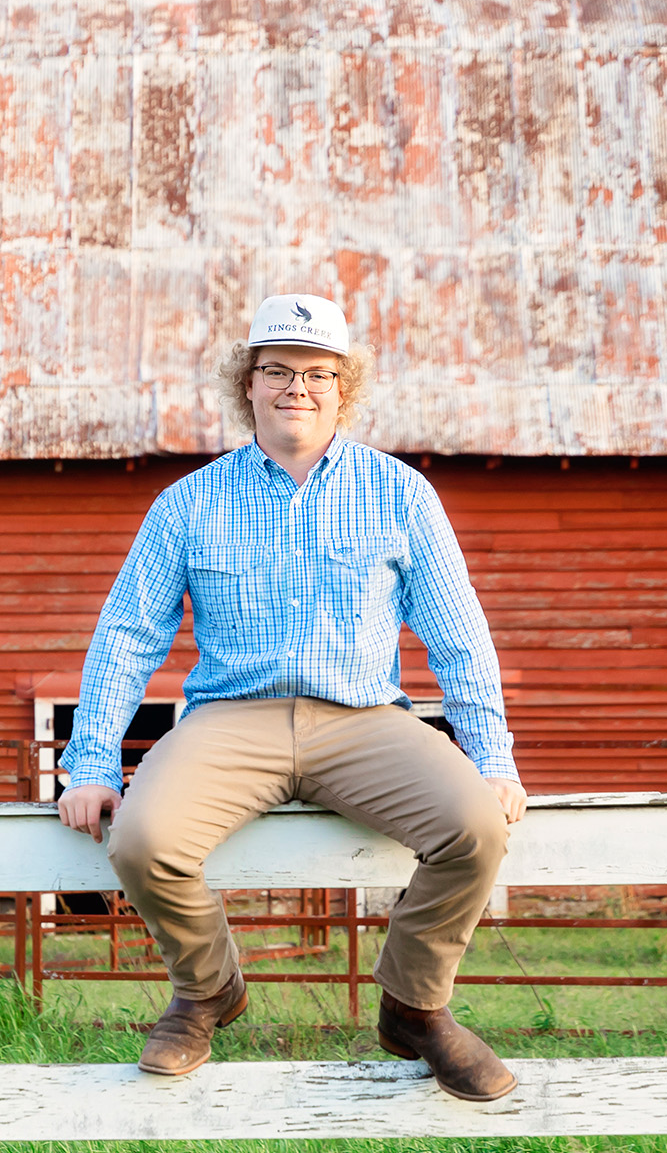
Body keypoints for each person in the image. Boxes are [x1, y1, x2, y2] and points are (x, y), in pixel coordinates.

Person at [57, 293, 527, 1098]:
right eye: (277, 370)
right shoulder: (190, 503)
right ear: (248, 382)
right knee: (141, 841)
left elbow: (458, 635)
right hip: (232, 720)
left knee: (476, 828)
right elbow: (129, 635)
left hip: (366, 719)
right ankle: (208, 989)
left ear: (346, 387)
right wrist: (93, 758)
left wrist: (491, 757)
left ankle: (415, 1006)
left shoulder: (400, 493)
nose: (296, 388)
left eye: (318, 373)